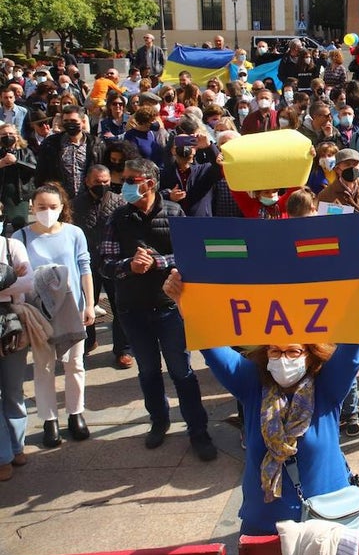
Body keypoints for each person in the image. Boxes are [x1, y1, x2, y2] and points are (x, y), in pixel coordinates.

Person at [162, 267, 359, 536]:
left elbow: (351, 347)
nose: (283, 359)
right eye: (275, 351)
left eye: (293, 351)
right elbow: (212, 348)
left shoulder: (326, 387)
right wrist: (184, 303)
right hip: (265, 522)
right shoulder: (253, 384)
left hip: (327, 520)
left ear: (309, 354)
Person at [99, 158, 216, 460]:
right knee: (149, 371)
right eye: (123, 179)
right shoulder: (118, 218)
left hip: (169, 309)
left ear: (149, 183)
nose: (124, 186)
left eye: (131, 179)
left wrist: (159, 262)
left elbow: (191, 256)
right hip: (133, 310)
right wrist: (129, 265)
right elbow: (105, 264)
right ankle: (159, 421)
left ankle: (197, 430)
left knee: (182, 372)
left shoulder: (175, 212)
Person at [17, 184, 95, 448]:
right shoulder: (21, 237)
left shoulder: (74, 233)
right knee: (44, 366)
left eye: (53, 207)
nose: (47, 212)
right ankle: (49, 419)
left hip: (71, 308)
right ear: (32, 207)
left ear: (63, 207)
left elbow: (84, 267)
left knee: (75, 364)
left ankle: (76, 413)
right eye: (41, 207)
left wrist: (89, 304)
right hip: (38, 312)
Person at [73, 165, 131, 366]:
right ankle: (89, 341)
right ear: (88, 181)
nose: (102, 185)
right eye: (97, 182)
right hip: (86, 264)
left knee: (120, 306)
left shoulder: (119, 201)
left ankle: (123, 350)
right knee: (85, 304)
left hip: (113, 262)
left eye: (106, 181)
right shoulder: (75, 205)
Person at [0, 216, 34, 481]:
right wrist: (8, 278)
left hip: (11, 325)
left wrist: (9, 281)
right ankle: (3, 457)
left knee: (13, 390)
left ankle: (17, 446)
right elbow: (16, 280)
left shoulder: (12, 247)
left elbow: (27, 284)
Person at [35, 105, 106, 200]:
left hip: (88, 199)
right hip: (60, 198)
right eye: (66, 121)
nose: (70, 124)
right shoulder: (51, 144)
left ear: (83, 122)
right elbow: (41, 173)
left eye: (73, 121)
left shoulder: (96, 144)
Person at [0, 122, 36, 231]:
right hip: (2, 197)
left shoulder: (26, 152)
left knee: (20, 228)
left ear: (17, 136)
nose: (8, 136)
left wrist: (16, 162)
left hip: (19, 198)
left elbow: (35, 168)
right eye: (4, 134)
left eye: (11, 133)